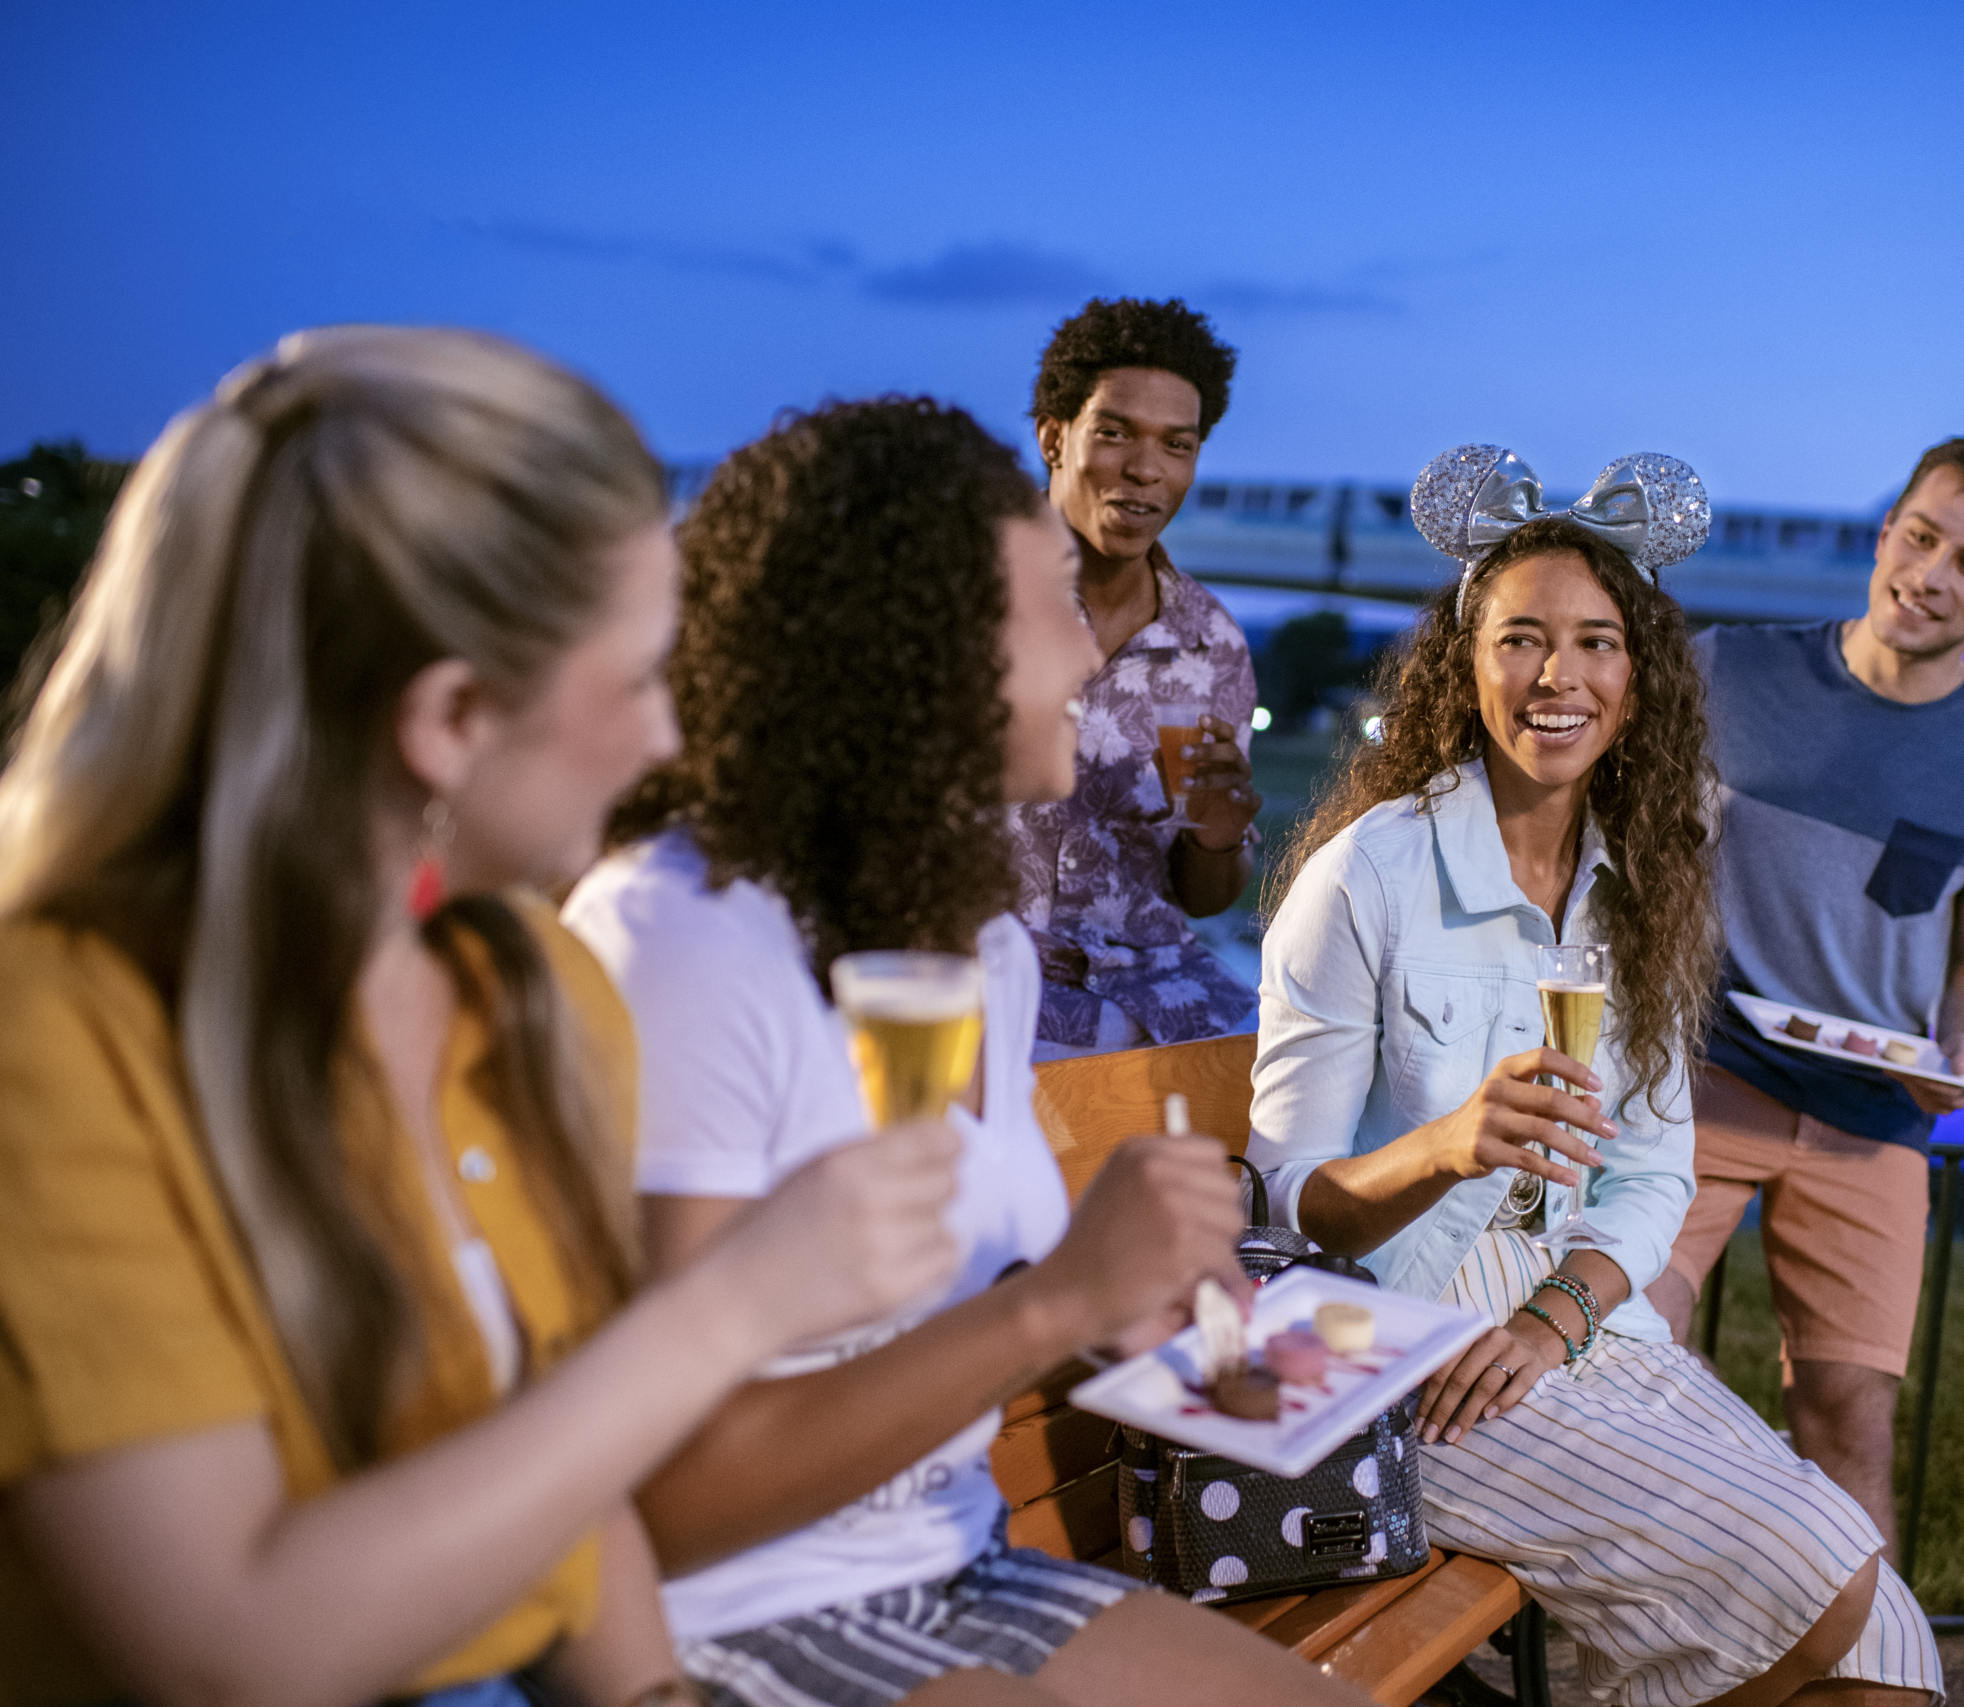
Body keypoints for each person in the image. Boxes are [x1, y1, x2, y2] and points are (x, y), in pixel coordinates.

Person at [0, 329, 966, 1707]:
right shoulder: (38, 1035)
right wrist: (738, 1301)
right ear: (447, 718)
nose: (667, 738)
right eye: (637, 676)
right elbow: (230, 1647)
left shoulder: (533, 986)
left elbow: (562, 1475)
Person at [563, 397, 1373, 1707]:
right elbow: (658, 1501)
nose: (1088, 653)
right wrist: (1052, 1301)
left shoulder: (972, 933)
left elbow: (947, 1278)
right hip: (722, 1613)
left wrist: (1127, 1301)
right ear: (912, 651)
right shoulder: (684, 936)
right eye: (1048, 602)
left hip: (954, 1564)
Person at [1249, 445, 1941, 1706]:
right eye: (1520, 639)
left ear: (1639, 679)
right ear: (1464, 664)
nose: (1556, 676)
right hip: (1399, 1354)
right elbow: (1287, 1207)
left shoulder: (1644, 881)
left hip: (1569, 1328)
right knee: (1825, 1584)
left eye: (1595, 643)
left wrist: (1554, 1316)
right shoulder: (1368, 875)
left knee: (1892, 1649)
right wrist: (1446, 1145)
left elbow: (1651, 1172)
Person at [1644, 437, 1964, 1565]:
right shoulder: (1722, 669)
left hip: (1874, 1116)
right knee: (1629, 1340)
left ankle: (1869, 1674)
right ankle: (1722, 1592)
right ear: (1886, 530)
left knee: (1848, 1419)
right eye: (1920, 537)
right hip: (1700, 1079)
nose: (1930, 575)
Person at [1012, 297, 1262, 1059]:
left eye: (1177, 445)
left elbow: (1207, 895)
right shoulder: (966, 599)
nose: (1147, 469)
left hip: (1150, 980)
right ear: (1055, 437)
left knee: (1292, 1091)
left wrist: (1217, 839)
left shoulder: (1211, 642)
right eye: (1114, 433)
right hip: (990, 971)